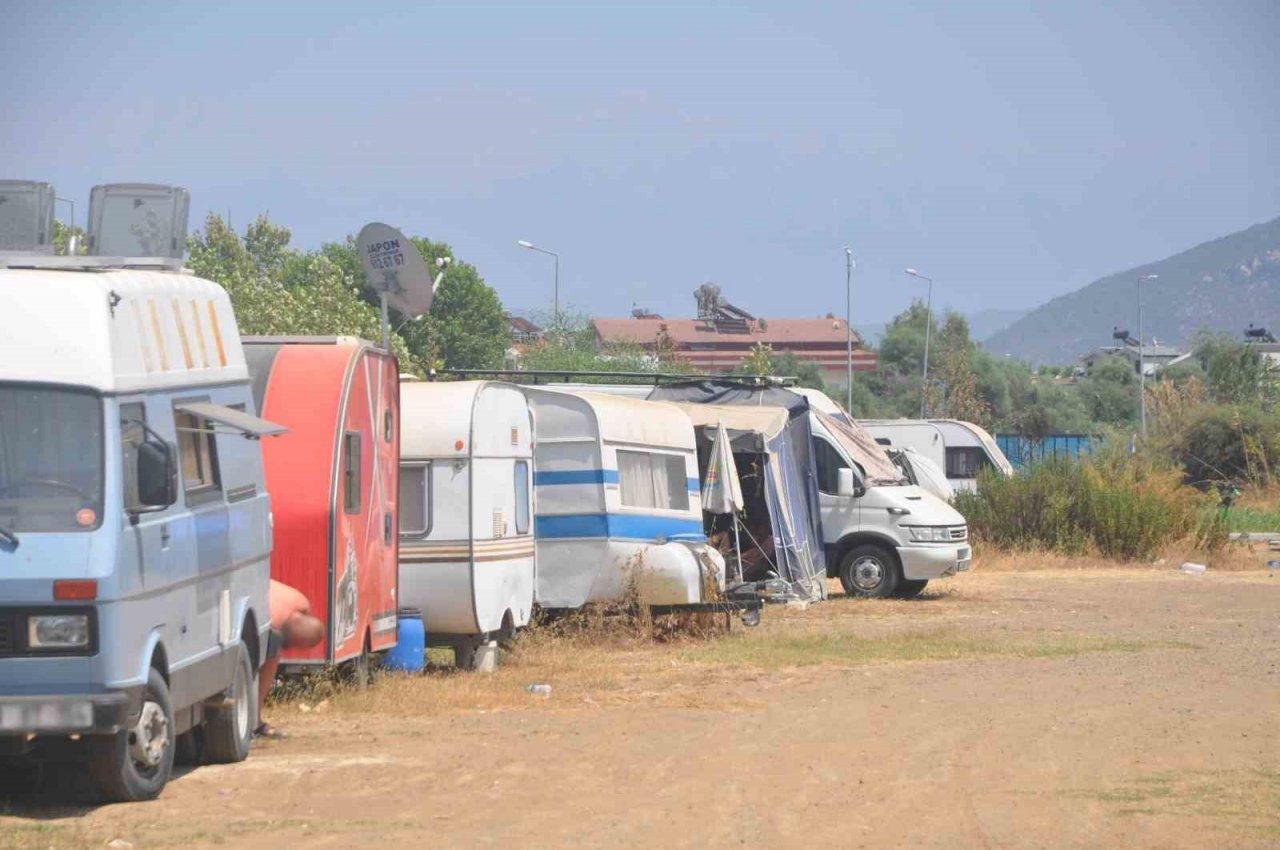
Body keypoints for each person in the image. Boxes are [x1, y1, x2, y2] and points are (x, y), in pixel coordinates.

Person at [257, 579, 325, 739]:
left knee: (272, 653)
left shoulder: (300, 603)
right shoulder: (275, 618)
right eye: (294, 645)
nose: (290, 649)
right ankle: (254, 720)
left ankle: (255, 720)